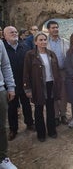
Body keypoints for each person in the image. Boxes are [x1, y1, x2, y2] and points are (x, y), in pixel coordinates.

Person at [23, 32, 61, 142]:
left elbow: (56, 71)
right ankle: (41, 133)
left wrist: (58, 85)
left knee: (50, 109)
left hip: (50, 84)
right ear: (35, 42)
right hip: (38, 86)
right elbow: (26, 73)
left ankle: (52, 130)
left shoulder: (51, 54)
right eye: (40, 40)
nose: (43, 42)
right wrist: (27, 89)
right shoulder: (30, 55)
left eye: (45, 39)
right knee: (39, 109)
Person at [2, 26, 35, 141]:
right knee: (12, 107)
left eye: (16, 32)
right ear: (4, 35)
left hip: (24, 82)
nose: (15, 33)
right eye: (11, 32)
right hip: (10, 84)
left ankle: (30, 123)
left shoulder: (24, 47)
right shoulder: (3, 49)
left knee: (26, 104)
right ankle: (13, 129)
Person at [46, 20, 69, 126]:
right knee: (53, 94)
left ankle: (63, 114)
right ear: (48, 30)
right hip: (50, 72)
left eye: (56, 27)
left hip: (63, 72)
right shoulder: (45, 43)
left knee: (63, 94)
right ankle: (55, 116)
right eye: (53, 28)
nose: (55, 29)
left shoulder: (65, 41)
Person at [0, 40, 17, 169]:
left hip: (0, 90)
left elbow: (5, 65)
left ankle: (3, 158)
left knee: (1, 126)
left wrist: (11, 87)